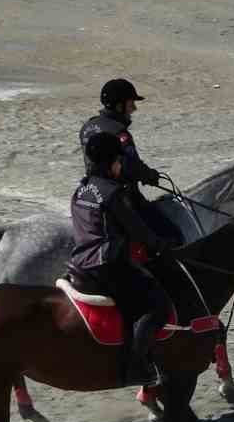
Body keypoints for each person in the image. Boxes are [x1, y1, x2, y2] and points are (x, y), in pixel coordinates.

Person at [68, 131, 179, 387]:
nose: (120, 165)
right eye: (118, 161)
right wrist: (162, 245)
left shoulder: (82, 189)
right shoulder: (113, 193)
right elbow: (137, 230)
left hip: (79, 263)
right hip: (107, 265)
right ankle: (137, 366)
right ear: (111, 162)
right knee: (158, 306)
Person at [79, 78, 183, 245]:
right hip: (122, 197)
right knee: (170, 233)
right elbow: (131, 165)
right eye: (131, 103)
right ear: (119, 105)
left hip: (91, 191)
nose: (133, 108)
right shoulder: (119, 132)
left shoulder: (87, 127)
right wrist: (150, 176)